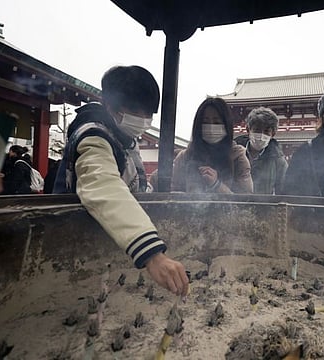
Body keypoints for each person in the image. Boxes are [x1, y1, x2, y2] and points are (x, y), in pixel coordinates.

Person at [53, 65, 188, 296]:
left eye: (149, 113)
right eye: (135, 110)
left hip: (115, 241)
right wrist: (152, 254)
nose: (143, 119)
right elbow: (103, 185)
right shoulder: (94, 135)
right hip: (73, 245)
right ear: (110, 105)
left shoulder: (125, 138)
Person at [171, 97, 253, 193]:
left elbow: (245, 200)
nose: (210, 126)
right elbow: (174, 192)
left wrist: (216, 185)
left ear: (226, 125)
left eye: (217, 122)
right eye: (205, 122)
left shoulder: (238, 157)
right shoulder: (185, 157)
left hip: (226, 208)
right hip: (189, 208)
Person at [234, 107, 287, 194]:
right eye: (257, 130)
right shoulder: (235, 153)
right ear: (248, 130)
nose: (261, 135)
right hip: (237, 204)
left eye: (266, 131)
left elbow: (283, 190)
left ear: (273, 134)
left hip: (264, 206)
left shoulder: (278, 159)